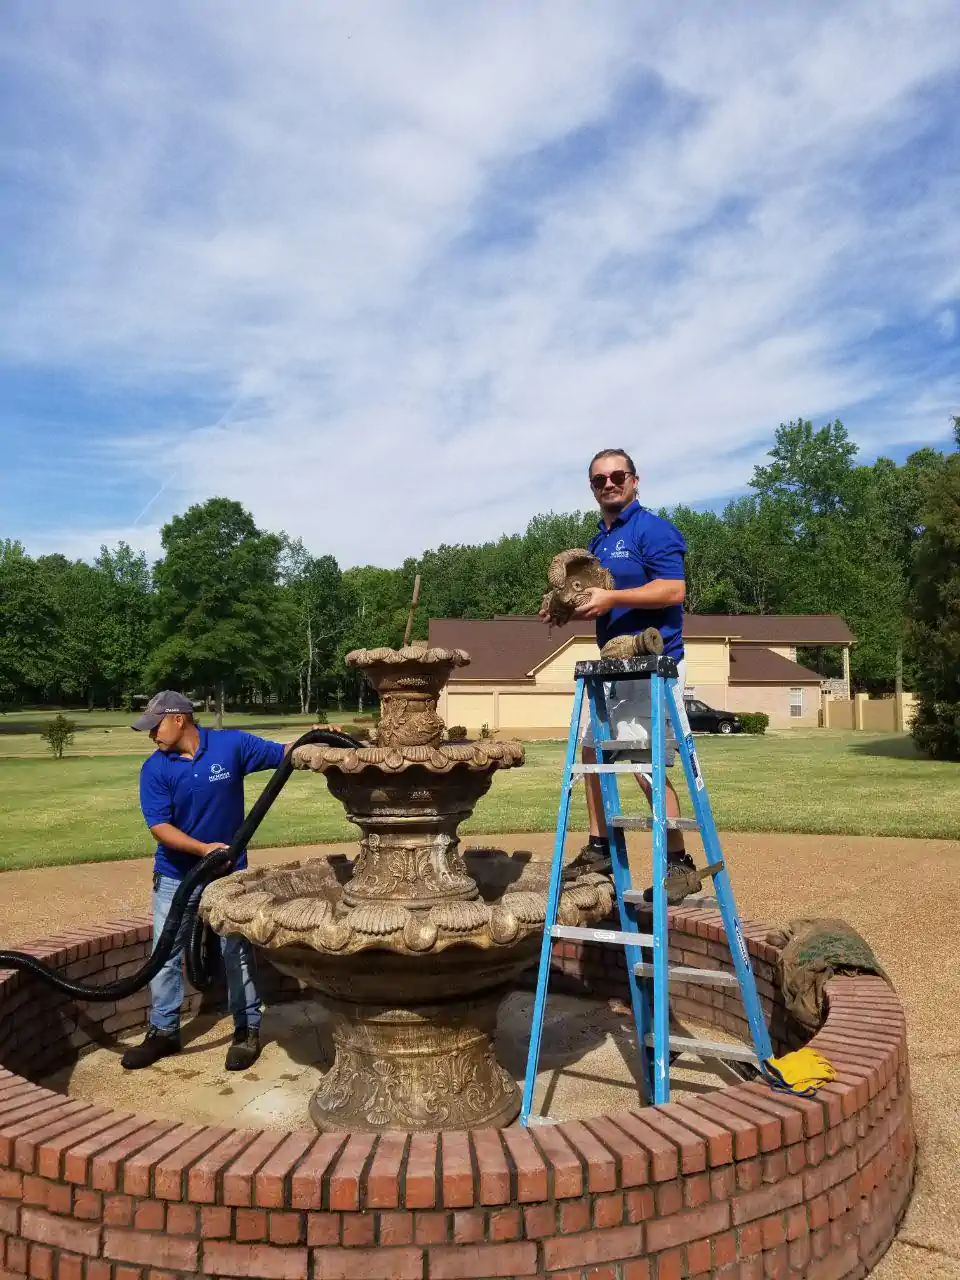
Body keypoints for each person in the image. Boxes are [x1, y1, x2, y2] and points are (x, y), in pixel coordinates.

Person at [121, 691, 305, 1072]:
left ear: (179, 718)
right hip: (176, 875)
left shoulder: (231, 746)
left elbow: (284, 753)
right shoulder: (156, 769)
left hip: (228, 874)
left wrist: (317, 736)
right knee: (165, 954)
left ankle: (247, 1029)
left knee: (234, 949)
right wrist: (203, 848)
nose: (150, 733)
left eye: (154, 725)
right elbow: (160, 827)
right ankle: (163, 1031)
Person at [544, 448, 698, 902]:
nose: (608, 484)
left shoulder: (653, 529)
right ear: (592, 488)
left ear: (634, 480)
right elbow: (594, 594)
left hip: (653, 661)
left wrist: (611, 601)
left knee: (640, 761)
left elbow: (673, 589)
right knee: (592, 752)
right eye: (599, 480)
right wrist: (563, 608)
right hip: (613, 663)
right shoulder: (598, 543)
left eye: (616, 476)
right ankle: (602, 848)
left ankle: (679, 863)